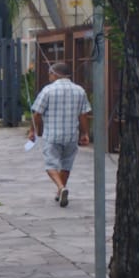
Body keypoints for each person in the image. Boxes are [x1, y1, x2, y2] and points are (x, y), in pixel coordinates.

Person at [27, 61, 92, 208]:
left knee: (50, 164)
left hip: (52, 135)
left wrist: (32, 131)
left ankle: (61, 187)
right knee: (66, 164)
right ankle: (59, 191)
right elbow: (83, 115)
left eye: (50, 74)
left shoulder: (48, 90)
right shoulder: (79, 90)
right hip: (71, 135)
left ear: (54, 74)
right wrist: (85, 133)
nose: (49, 77)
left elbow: (37, 113)